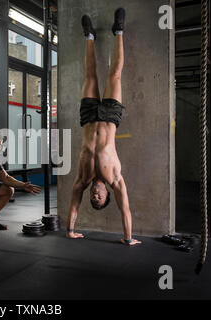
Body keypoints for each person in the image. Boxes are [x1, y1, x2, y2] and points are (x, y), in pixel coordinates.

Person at [66, 8, 141, 246]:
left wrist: (70, 230)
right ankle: (119, 31)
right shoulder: (115, 177)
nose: (96, 195)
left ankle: (89, 37)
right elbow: (125, 209)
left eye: (93, 199)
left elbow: (74, 205)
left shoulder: (82, 178)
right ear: (108, 194)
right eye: (100, 198)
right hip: (109, 117)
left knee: (90, 77)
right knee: (115, 76)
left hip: (88, 117)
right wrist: (128, 238)